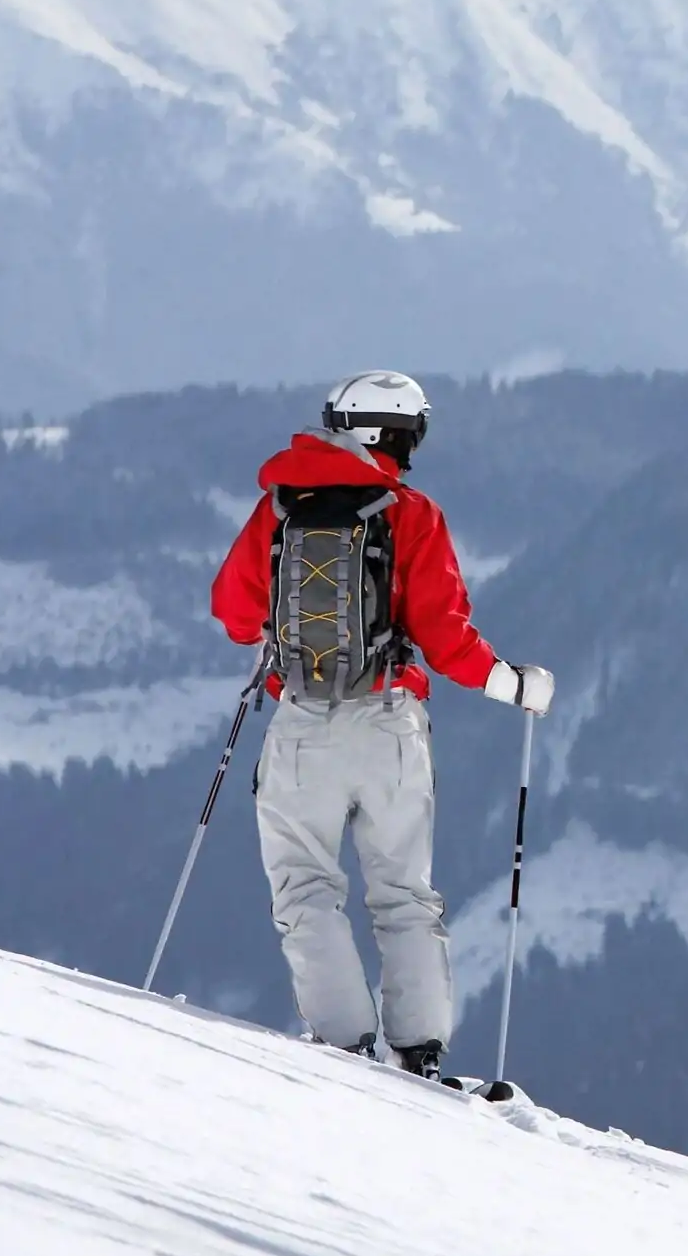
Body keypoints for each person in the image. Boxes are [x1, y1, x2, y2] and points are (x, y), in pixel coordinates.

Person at [209, 370, 554, 1079]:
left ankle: (342, 1045)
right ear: (403, 436)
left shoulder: (278, 510)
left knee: (305, 886)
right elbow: (445, 634)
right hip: (390, 722)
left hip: (302, 723)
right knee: (402, 891)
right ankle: (419, 1050)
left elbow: (233, 614)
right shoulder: (411, 513)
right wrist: (512, 684)